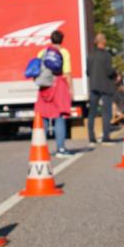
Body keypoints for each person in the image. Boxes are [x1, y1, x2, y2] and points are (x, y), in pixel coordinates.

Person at [36, 29, 73, 158]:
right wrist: (70, 89)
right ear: (62, 40)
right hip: (59, 85)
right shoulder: (64, 52)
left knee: (44, 117)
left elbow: (37, 69)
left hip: (44, 86)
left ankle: (40, 149)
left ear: (51, 39)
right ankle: (61, 149)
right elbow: (67, 73)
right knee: (59, 116)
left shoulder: (42, 52)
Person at [86, 32, 116, 145]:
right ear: (104, 41)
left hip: (94, 86)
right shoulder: (107, 55)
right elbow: (109, 71)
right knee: (106, 112)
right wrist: (115, 73)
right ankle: (106, 137)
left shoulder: (91, 55)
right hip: (106, 86)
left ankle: (91, 138)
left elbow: (88, 72)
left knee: (92, 113)